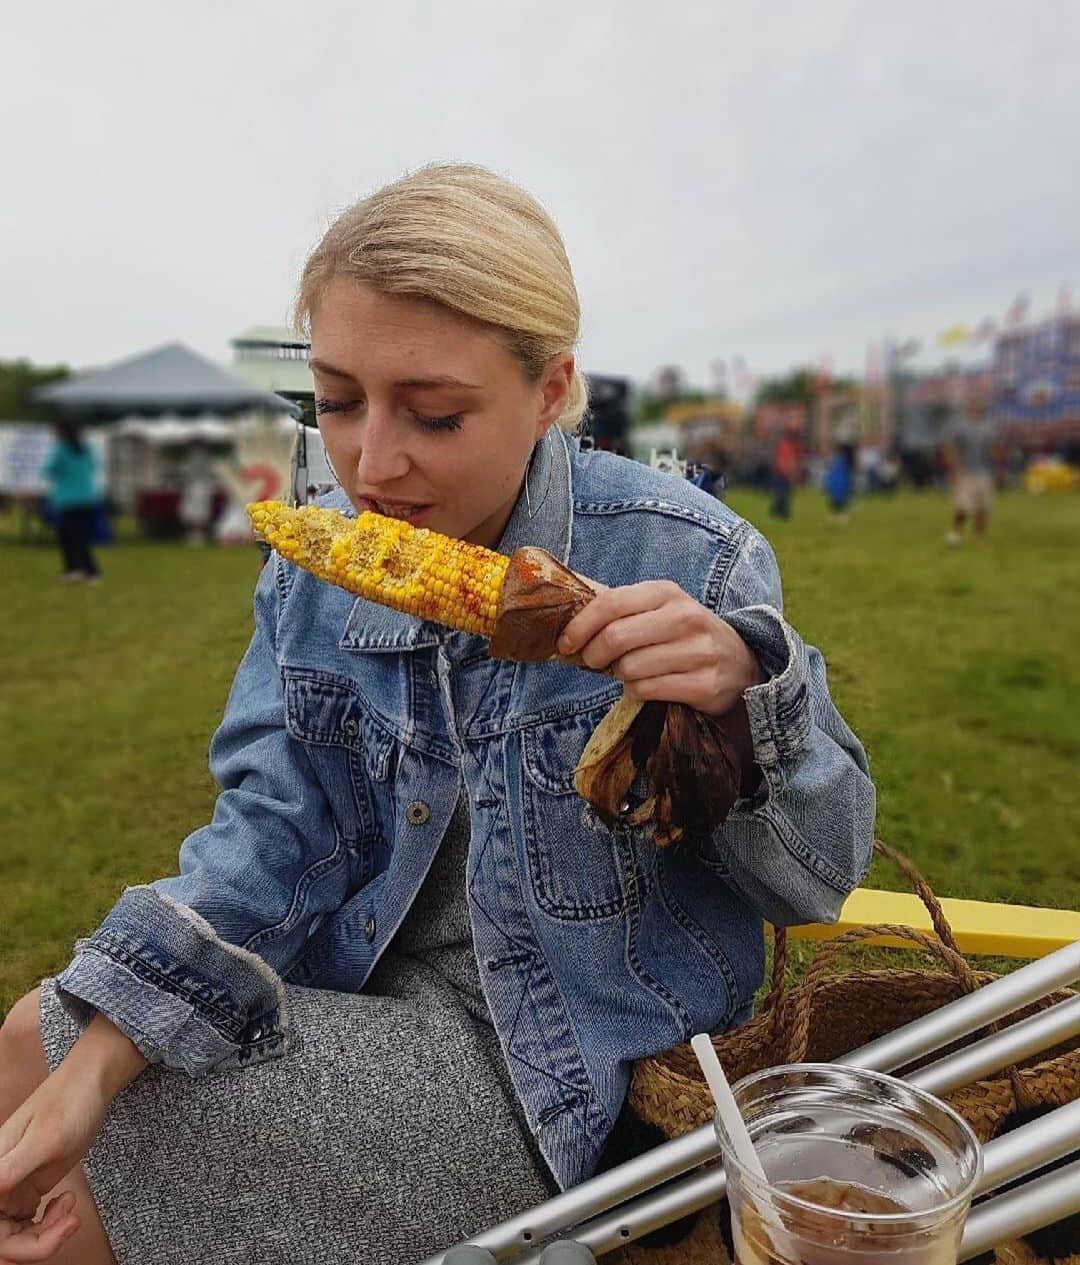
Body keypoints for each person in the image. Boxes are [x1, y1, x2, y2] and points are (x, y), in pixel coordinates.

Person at [0, 164, 875, 1265]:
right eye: (337, 398)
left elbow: (817, 878)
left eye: (436, 412)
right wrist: (99, 1053)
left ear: (552, 390)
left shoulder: (686, 554)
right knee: (35, 1048)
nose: (372, 463)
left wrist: (744, 700)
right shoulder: (307, 576)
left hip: (566, 1067)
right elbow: (272, 829)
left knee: (81, 1190)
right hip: (361, 992)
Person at [40, 420, 102, 582]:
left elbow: (48, 469)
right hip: (88, 497)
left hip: (68, 499)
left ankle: (88, 571)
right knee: (79, 535)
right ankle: (74, 570)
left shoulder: (59, 448)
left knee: (69, 536)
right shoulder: (86, 447)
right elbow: (94, 466)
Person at [945, 395, 998, 545]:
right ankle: (956, 532)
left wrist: (998, 469)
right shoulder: (958, 426)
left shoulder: (988, 426)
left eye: (977, 404)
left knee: (983, 506)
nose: (974, 407)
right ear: (966, 407)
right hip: (965, 471)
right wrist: (954, 471)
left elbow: (993, 448)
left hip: (984, 471)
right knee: (963, 506)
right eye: (971, 404)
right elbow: (950, 448)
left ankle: (978, 537)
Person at [770, 421, 803, 518]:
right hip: (782, 473)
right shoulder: (786, 445)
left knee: (784, 493)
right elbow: (782, 459)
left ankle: (780, 511)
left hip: (785, 473)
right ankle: (779, 511)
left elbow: (796, 460)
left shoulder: (791, 445)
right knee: (782, 493)